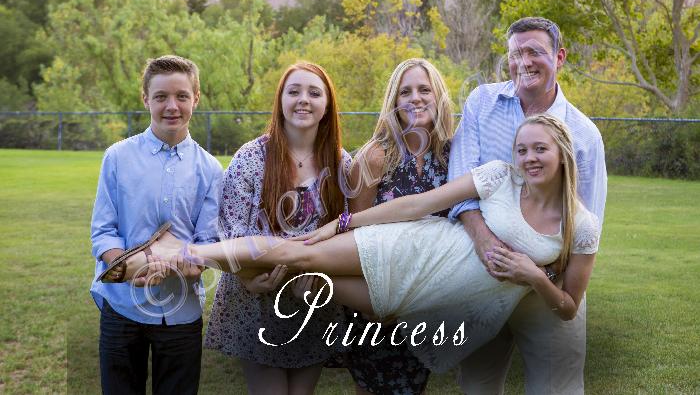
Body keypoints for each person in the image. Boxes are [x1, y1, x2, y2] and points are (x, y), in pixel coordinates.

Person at [111, 114, 600, 376]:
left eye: (540, 149)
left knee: (305, 280)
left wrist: (534, 276)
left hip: (429, 297)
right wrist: (342, 222)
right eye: (522, 149)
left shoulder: (581, 226)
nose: (529, 158)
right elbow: (417, 205)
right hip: (412, 250)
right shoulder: (498, 177)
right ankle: (179, 254)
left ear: (562, 154)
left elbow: (567, 307)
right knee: (297, 251)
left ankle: (200, 261)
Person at [449, 16, 607, 394]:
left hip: (549, 287)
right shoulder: (482, 102)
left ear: (560, 57)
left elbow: (587, 223)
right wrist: (484, 241)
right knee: (477, 385)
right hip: (482, 274)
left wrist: (540, 274)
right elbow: (460, 184)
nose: (523, 62)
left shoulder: (584, 134)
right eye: (515, 54)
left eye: (535, 51)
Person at [203, 61, 351, 394]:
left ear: (327, 104)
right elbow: (230, 233)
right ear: (280, 100)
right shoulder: (251, 158)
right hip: (255, 300)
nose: (304, 100)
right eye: (294, 91)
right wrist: (247, 277)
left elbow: (349, 231)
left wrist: (316, 279)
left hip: (313, 303)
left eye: (314, 93)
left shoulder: (342, 163)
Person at [90, 55, 223, 395]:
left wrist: (192, 264)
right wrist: (127, 267)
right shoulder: (117, 157)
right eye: (161, 96)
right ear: (145, 99)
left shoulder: (210, 169)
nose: (172, 106)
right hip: (122, 306)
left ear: (196, 98)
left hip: (181, 311)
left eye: (182, 96)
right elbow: (104, 231)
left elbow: (207, 242)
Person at [341, 58, 453, 395]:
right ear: (394, 101)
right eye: (406, 92)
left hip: (425, 303)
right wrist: (376, 302)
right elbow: (353, 237)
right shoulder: (375, 157)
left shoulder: (451, 156)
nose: (415, 98)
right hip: (377, 302)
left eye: (424, 90)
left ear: (438, 96)